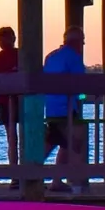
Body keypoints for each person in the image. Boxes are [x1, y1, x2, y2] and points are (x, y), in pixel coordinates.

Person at [40, 25, 88, 194]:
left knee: (57, 142)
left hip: (50, 107)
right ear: (77, 42)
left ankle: (34, 176)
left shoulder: (51, 56)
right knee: (75, 143)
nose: (83, 45)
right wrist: (82, 98)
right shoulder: (73, 57)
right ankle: (76, 183)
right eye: (82, 41)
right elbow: (80, 85)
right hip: (66, 108)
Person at [0, 27, 21, 156]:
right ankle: (16, 168)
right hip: (7, 102)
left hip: (14, 102)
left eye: (2, 38)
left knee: (12, 137)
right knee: (12, 137)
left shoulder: (1, 58)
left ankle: (17, 168)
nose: (0, 42)